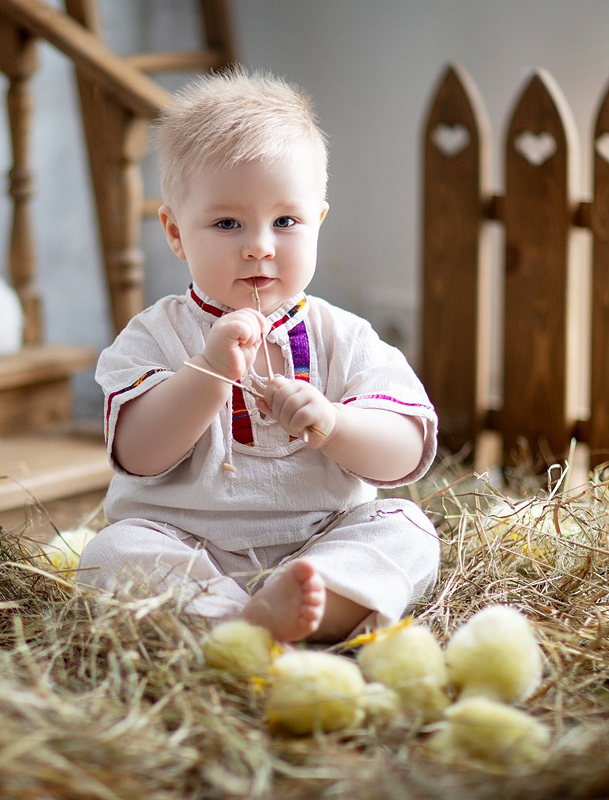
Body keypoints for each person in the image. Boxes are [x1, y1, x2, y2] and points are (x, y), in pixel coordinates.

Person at [79, 68, 439, 643]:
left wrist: (334, 423)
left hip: (322, 541)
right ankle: (235, 620)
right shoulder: (152, 336)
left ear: (317, 222)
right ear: (175, 232)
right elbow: (139, 454)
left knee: (407, 528)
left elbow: (404, 451)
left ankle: (315, 600)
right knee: (110, 552)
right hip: (187, 547)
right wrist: (208, 372)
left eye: (285, 221)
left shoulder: (344, 337)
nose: (259, 246)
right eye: (227, 223)